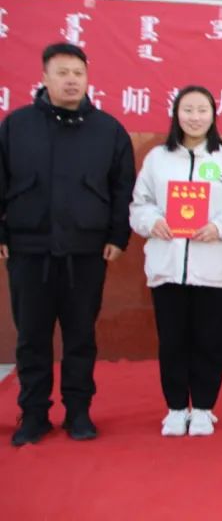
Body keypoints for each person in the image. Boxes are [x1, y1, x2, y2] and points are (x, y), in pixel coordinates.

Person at [1, 43, 135, 446]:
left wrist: (118, 236)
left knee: (80, 336)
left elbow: (122, 188)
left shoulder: (108, 130)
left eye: (78, 73)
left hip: (86, 251)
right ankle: (34, 414)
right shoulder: (16, 126)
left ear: (88, 78)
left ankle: (78, 411)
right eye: (62, 73)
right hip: (29, 250)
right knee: (32, 337)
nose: (71, 80)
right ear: (44, 77)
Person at [129, 85, 222, 436]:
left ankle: (202, 407)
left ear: (213, 115)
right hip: (167, 266)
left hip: (214, 267)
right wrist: (152, 221)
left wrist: (220, 227)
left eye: (202, 110)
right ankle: (175, 408)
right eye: (188, 110)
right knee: (172, 340)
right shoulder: (157, 158)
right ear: (176, 114)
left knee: (209, 340)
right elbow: (139, 204)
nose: (195, 117)